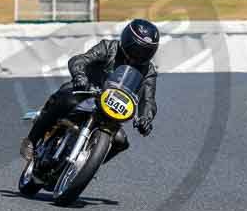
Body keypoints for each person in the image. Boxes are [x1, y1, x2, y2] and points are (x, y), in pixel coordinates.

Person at [20, 18, 160, 163]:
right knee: (66, 100)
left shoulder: (148, 71)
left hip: (111, 110)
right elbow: (80, 60)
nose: (139, 55)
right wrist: (80, 77)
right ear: (127, 40)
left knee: (121, 141)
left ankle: (87, 164)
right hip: (86, 93)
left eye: (146, 52)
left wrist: (145, 119)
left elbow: (148, 99)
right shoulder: (109, 47)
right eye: (137, 49)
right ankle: (31, 140)